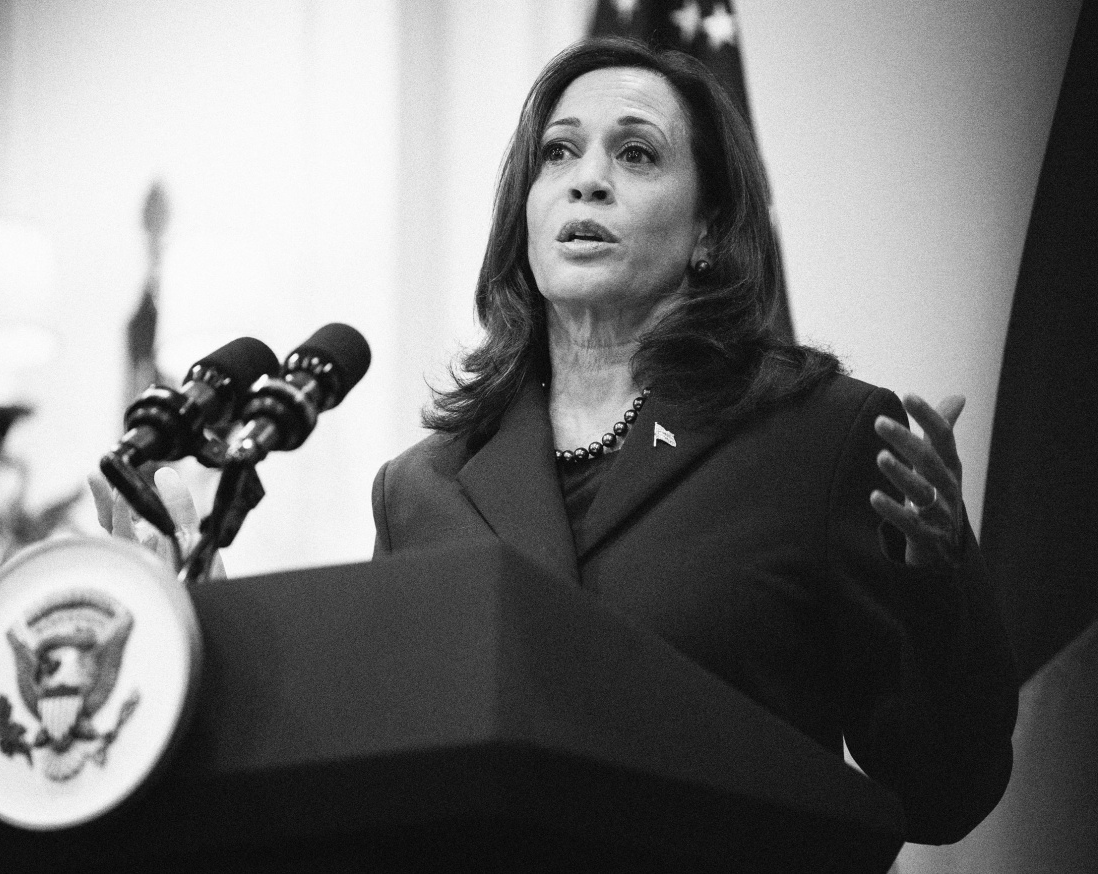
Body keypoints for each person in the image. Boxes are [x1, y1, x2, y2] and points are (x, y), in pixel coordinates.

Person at [371, 38, 1017, 845]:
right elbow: (393, 783)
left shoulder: (818, 440)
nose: (588, 177)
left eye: (636, 154)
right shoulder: (421, 490)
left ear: (708, 227)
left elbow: (942, 793)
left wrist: (934, 579)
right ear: (525, 211)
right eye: (558, 153)